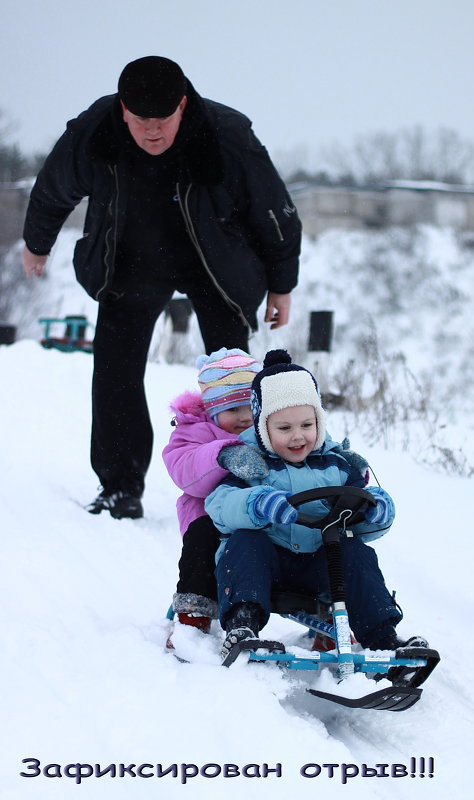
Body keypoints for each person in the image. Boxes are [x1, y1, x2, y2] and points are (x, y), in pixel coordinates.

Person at [21, 56, 301, 519]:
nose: (153, 133)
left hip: (215, 265)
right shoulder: (96, 129)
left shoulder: (226, 133)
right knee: (116, 374)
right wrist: (36, 243)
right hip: (131, 264)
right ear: (123, 110)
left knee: (233, 380)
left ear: (183, 106)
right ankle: (119, 486)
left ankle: (241, 479)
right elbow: (53, 188)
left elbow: (272, 210)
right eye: (141, 121)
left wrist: (282, 284)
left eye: (164, 122)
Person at [205, 349, 427, 659]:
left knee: (356, 552)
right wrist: (256, 503)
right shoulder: (251, 465)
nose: (297, 437)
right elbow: (219, 506)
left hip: (324, 566)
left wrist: (375, 511)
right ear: (263, 428)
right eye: (284, 429)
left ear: (318, 422)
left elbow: (359, 518)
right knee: (245, 541)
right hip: (269, 567)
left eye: (307, 425)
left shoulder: (338, 467)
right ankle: (243, 625)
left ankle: (382, 637)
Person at [162, 347, 266, 640]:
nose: (245, 418)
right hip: (209, 515)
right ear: (212, 409)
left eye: (251, 408)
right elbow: (184, 469)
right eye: (234, 410)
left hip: (260, 515)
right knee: (202, 541)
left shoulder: (271, 431)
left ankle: (329, 616)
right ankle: (194, 612)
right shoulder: (195, 431)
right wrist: (221, 456)